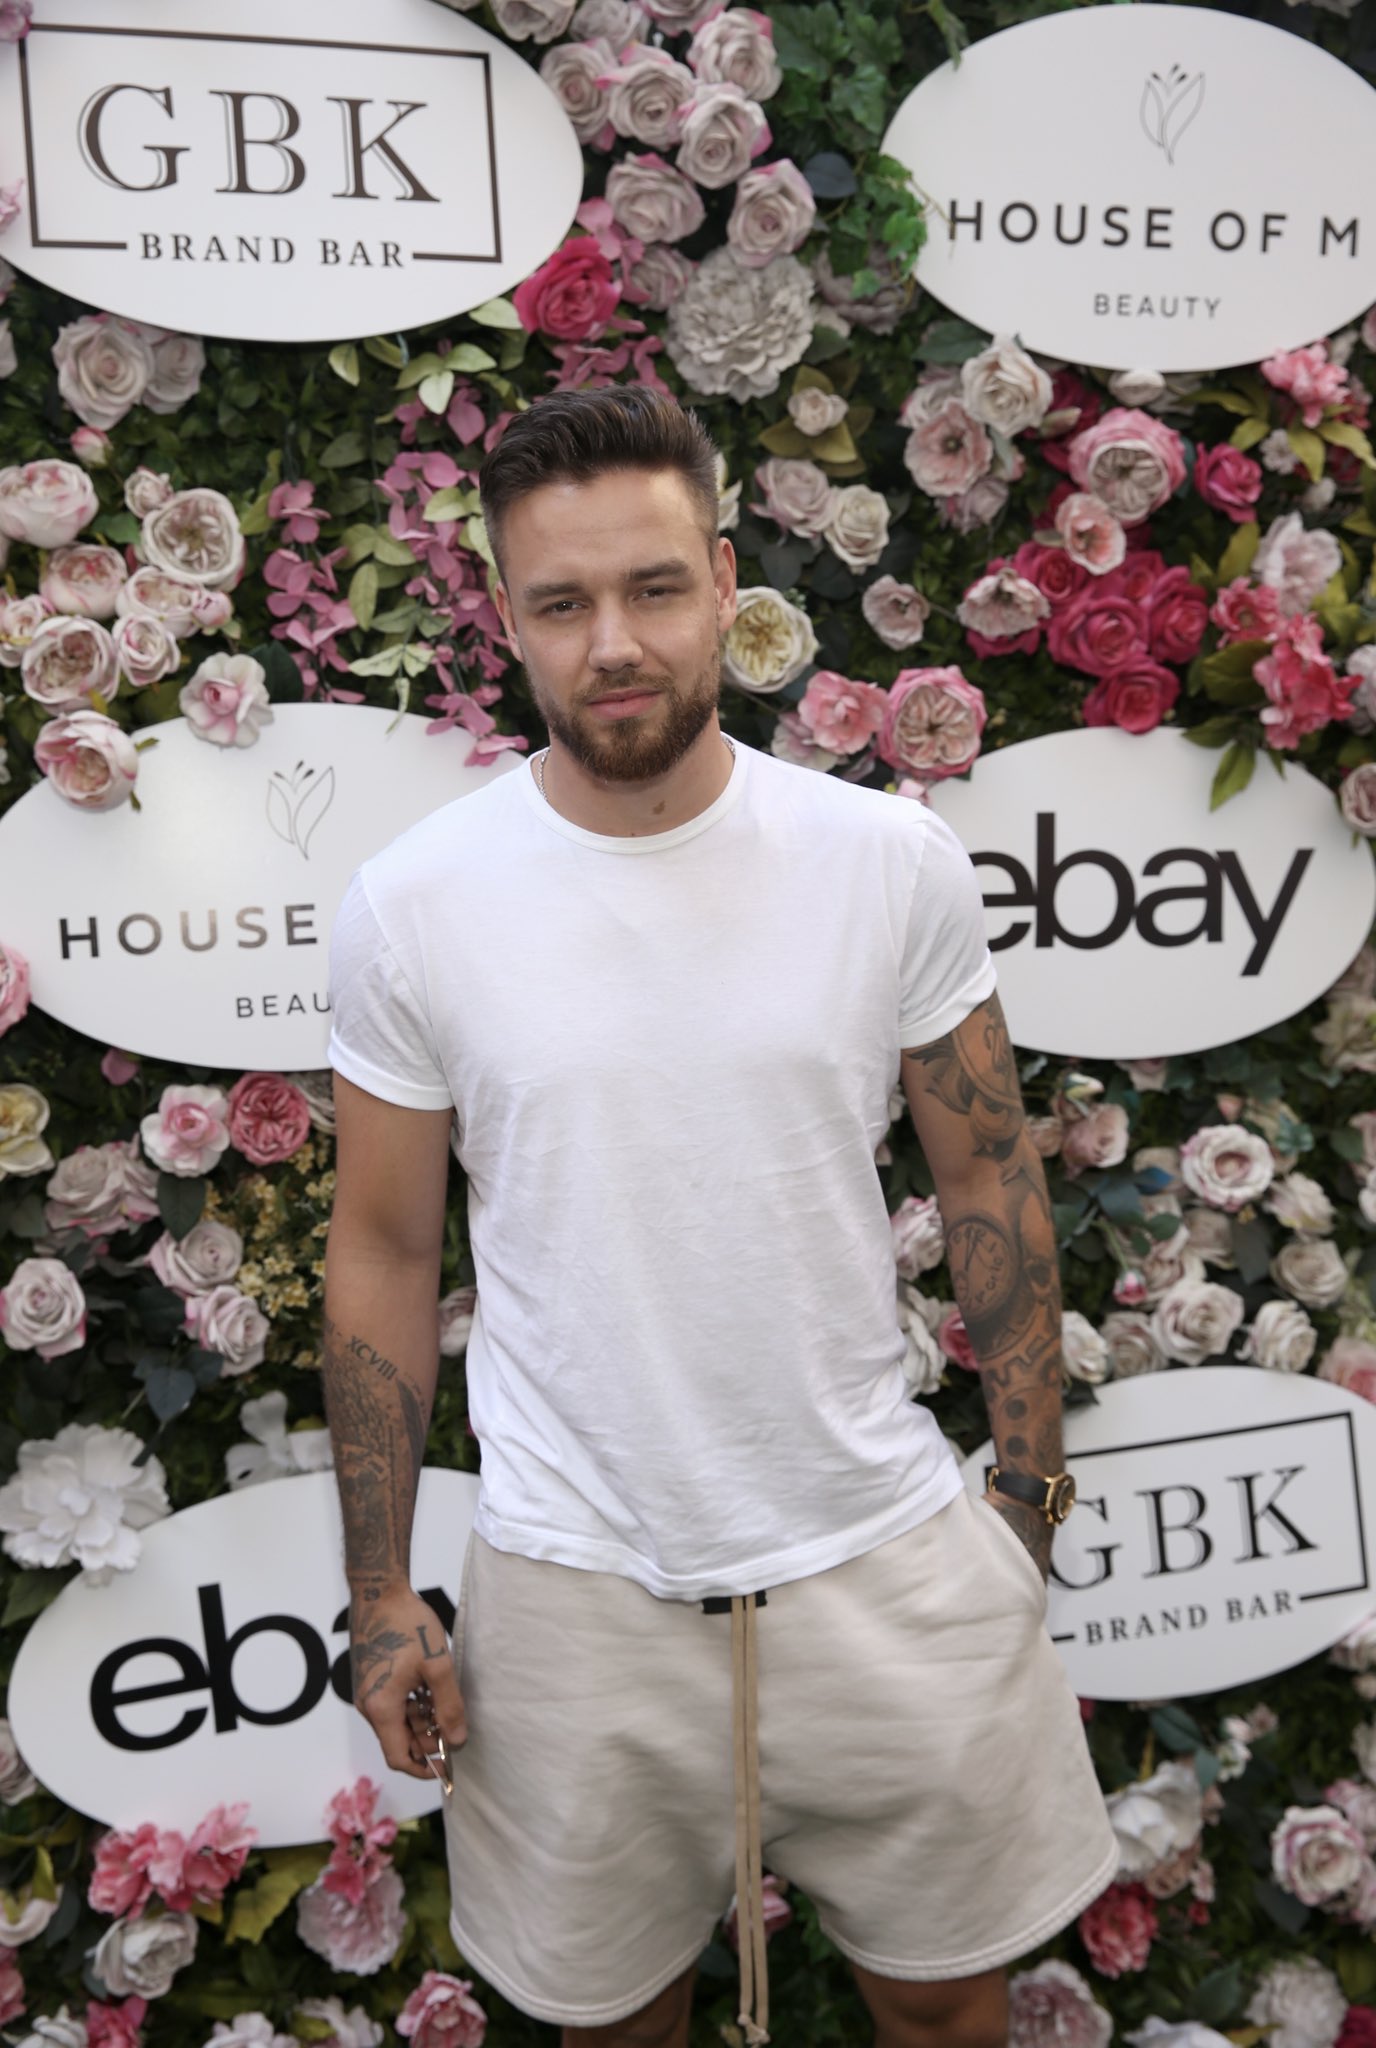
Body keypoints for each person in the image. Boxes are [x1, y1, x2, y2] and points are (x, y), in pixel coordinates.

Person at [321, 384, 1117, 2048]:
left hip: (882, 1559)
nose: (614, 644)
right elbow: (387, 1251)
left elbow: (987, 1175)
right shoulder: (415, 907)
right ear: (506, 618)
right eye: (562, 603)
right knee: (612, 2029)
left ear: (727, 581)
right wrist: (383, 1595)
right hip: (572, 1592)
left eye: (655, 588)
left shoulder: (885, 860)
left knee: (950, 2012)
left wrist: (1029, 1493)